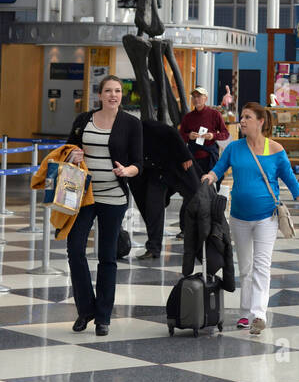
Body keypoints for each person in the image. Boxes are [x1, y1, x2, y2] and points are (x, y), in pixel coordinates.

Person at [202, 102, 299, 333]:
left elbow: (291, 181)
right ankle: (245, 313)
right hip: (239, 217)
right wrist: (210, 177)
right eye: (242, 117)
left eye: (247, 117)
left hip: (267, 216)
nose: (242, 121)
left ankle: (258, 314)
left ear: (261, 121)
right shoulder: (235, 148)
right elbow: (220, 167)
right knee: (245, 267)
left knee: (262, 266)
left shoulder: (275, 150)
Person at [65, 75, 143, 336]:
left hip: (113, 196)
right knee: (75, 249)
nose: (113, 95)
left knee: (107, 256)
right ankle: (85, 309)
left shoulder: (131, 124)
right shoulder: (83, 120)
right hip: (83, 196)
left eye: (118, 91)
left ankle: (103, 317)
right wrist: (73, 155)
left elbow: (138, 163)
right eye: (108, 91)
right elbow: (69, 148)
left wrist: (127, 171)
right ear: (99, 95)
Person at [130, 120, 198, 261]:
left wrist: (185, 154)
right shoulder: (119, 135)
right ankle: (153, 249)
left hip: (177, 165)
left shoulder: (142, 125)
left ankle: (205, 241)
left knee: (197, 197)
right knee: (152, 208)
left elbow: (171, 131)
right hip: (155, 172)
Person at [179, 86, 229, 177]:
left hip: (210, 157)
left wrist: (212, 136)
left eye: (199, 96)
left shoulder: (215, 114)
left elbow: (225, 134)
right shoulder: (188, 117)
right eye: (194, 97)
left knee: (209, 184)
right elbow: (180, 136)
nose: (196, 99)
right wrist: (189, 136)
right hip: (192, 158)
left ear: (205, 98)